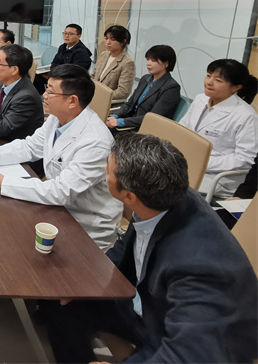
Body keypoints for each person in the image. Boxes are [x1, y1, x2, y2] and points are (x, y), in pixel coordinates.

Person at [42, 133, 258, 364]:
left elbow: (190, 354)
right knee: (61, 304)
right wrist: (87, 283)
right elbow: (126, 251)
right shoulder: (160, 196)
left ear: (128, 196)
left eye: (108, 169)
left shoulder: (198, 267)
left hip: (176, 336)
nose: (104, 170)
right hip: (145, 303)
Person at [0, 64, 121, 251]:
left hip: (86, 225)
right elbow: (31, 146)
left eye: (50, 92)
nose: (44, 95)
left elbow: (61, 191)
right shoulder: (57, 117)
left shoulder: (95, 142)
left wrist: (4, 182)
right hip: (58, 209)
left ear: (72, 100)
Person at [179, 58, 258, 198]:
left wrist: (202, 162)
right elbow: (182, 129)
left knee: (165, 184)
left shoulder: (246, 116)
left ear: (236, 87)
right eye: (208, 76)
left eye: (218, 80)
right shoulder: (200, 99)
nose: (209, 82)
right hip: (187, 163)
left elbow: (244, 159)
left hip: (216, 176)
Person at [0, 44, 43, 141]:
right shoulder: (2, 82)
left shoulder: (26, 97)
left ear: (14, 69)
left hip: (13, 144)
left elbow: (2, 129)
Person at [106, 45, 180, 131]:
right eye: (147, 59)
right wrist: (114, 116)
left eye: (153, 60)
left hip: (143, 129)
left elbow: (153, 118)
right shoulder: (145, 78)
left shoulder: (171, 87)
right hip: (129, 121)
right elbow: (130, 103)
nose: (148, 63)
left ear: (166, 64)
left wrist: (120, 122)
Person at [91, 24, 136, 103]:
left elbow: (123, 92)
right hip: (92, 97)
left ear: (123, 41)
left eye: (113, 39)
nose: (108, 42)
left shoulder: (127, 62)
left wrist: (100, 95)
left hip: (108, 103)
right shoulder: (104, 55)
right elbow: (94, 76)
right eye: (106, 38)